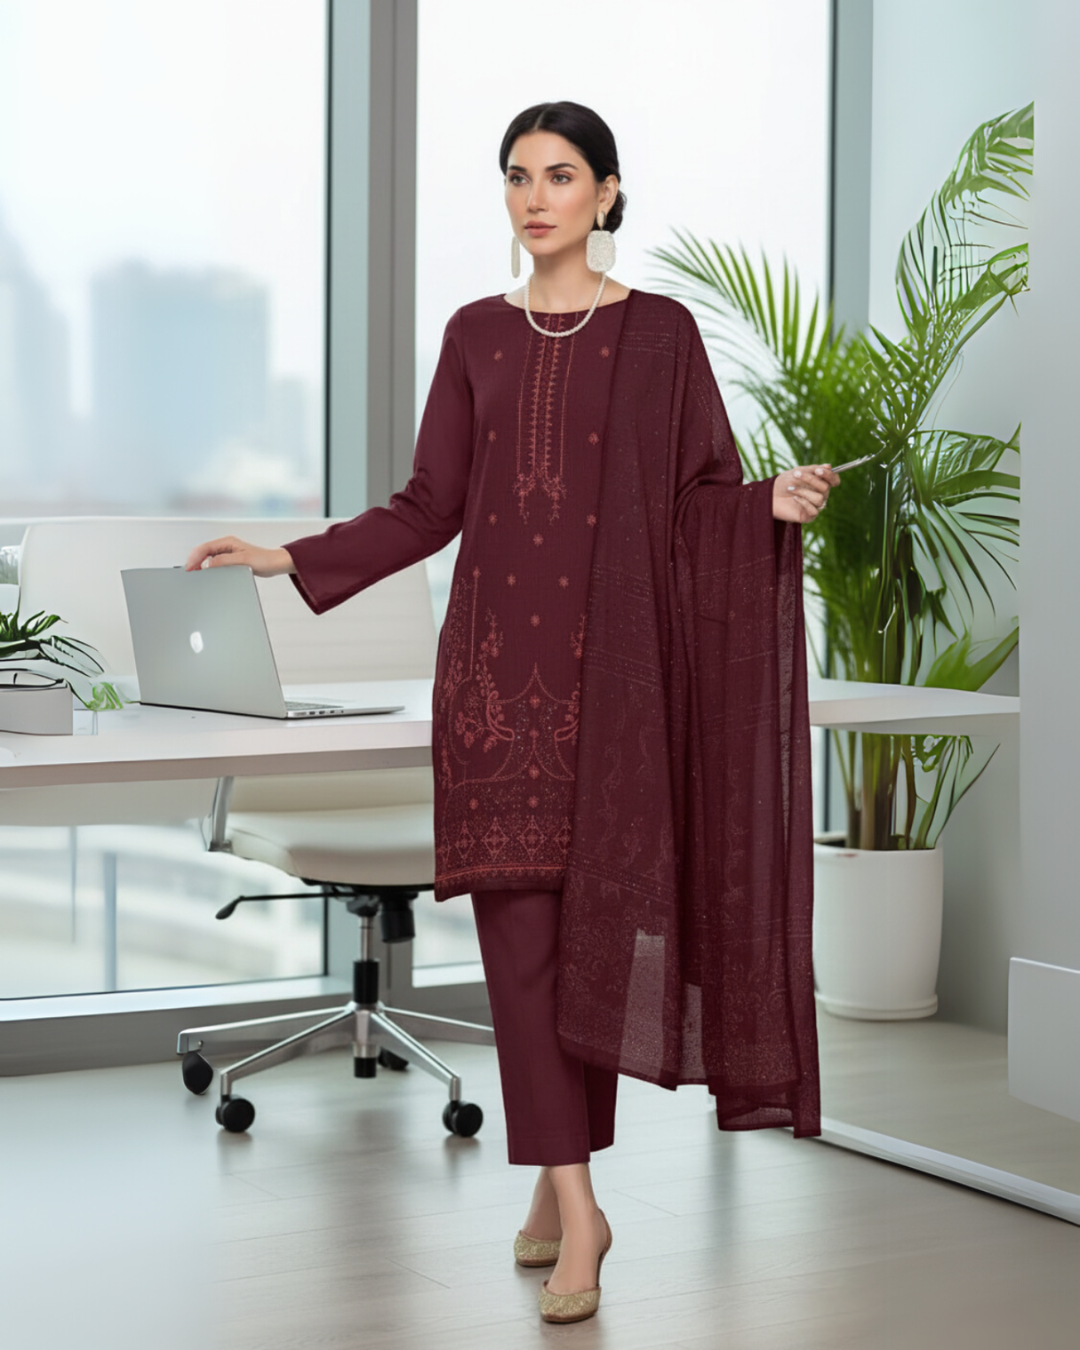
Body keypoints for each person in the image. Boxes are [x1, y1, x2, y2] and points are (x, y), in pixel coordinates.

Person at [186, 101, 838, 1325]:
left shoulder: (661, 335)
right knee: (522, 952)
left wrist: (767, 506)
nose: (536, 198)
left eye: (561, 176)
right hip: (494, 690)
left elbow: (697, 500)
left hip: (617, 694)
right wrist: (291, 558)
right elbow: (430, 503)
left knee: (590, 947)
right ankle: (585, 1212)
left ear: (607, 193)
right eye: (518, 177)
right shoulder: (475, 335)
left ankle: (550, 1184)